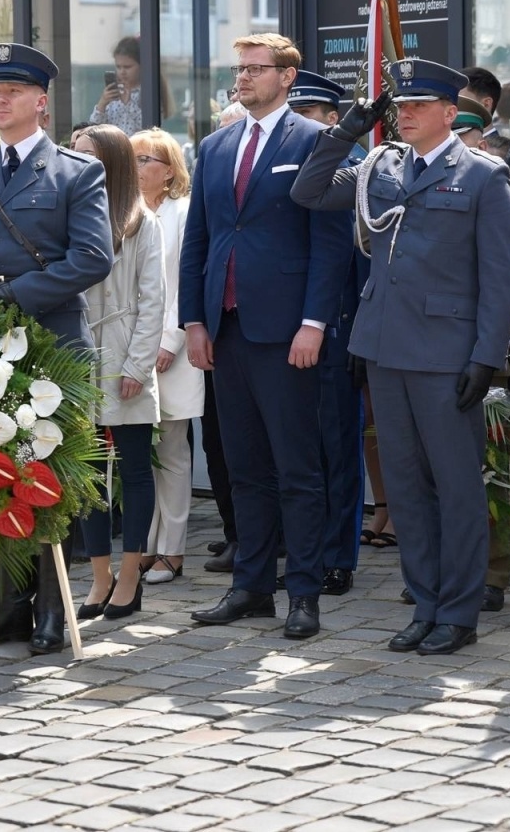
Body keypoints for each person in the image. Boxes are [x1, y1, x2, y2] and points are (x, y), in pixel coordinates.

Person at [292, 57, 510, 655]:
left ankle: (460, 611)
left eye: (420, 105)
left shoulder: (481, 176)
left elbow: (499, 279)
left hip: (447, 355)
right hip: (384, 347)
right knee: (406, 489)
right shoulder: (380, 166)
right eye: (401, 106)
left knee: (456, 486)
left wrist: (485, 358)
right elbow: (309, 191)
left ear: (452, 112)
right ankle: (425, 603)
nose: (407, 114)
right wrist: (347, 128)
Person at [0, 42, 114, 656]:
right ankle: (4, 608)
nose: (0, 99)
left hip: (50, 343)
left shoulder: (75, 172)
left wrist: (12, 304)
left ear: (40, 100)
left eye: (13, 91)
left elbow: (92, 257)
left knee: (46, 473)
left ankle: (52, 612)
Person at [179, 33, 350, 642]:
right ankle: (250, 585)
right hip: (225, 330)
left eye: (255, 69)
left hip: (286, 332)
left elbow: (328, 246)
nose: (243, 78)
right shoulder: (216, 145)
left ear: (287, 76)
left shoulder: (314, 142)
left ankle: (302, 592)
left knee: (298, 468)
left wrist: (313, 324)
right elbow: (198, 239)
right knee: (244, 466)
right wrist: (194, 320)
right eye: (239, 68)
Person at [68, 124, 164, 621]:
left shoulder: (142, 221)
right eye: (74, 154)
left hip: (123, 351)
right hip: (79, 356)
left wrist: (136, 364)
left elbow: (153, 301)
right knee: (86, 472)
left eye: (90, 156)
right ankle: (99, 574)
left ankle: (131, 574)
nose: (79, 163)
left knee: (131, 468)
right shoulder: (71, 214)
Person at [283, 69, 368, 596]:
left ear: (334, 121)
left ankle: (338, 552)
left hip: (335, 326)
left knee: (337, 446)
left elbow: (346, 262)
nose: (300, 124)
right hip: (290, 326)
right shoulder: (291, 164)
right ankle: (303, 548)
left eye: (309, 114)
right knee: (298, 448)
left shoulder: (351, 170)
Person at [131, 128, 203, 586]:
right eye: (131, 158)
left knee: (172, 449)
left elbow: (185, 278)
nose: (136, 167)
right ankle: (144, 545)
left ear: (169, 168)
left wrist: (169, 341)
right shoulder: (125, 212)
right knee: (141, 451)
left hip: (170, 348)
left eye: (144, 159)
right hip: (131, 345)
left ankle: (172, 550)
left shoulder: (184, 211)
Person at [87, 36, 156, 135]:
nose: (122, 72)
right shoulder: (114, 94)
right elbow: (93, 128)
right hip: (113, 148)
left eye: (127, 67)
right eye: (118, 67)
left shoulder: (148, 91)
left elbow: (150, 128)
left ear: (142, 65)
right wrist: (102, 104)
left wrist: (128, 104)